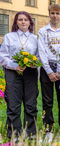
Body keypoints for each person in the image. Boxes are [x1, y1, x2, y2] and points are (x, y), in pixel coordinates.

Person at [0, 11, 38, 139]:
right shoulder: (9, 37)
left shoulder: (35, 38)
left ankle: (31, 133)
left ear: (29, 22)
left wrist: (33, 63)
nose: (23, 22)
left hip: (30, 72)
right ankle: (14, 133)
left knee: (30, 104)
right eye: (20, 19)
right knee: (13, 103)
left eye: (25, 20)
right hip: (12, 72)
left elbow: (39, 57)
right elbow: (2, 57)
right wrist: (15, 65)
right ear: (16, 22)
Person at [38, 4, 60, 141]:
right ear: (49, 14)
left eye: (57, 13)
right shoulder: (43, 31)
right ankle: (48, 129)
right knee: (47, 101)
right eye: (52, 13)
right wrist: (49, 71)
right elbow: (42, 52)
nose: (55, 16)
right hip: (47, 68)